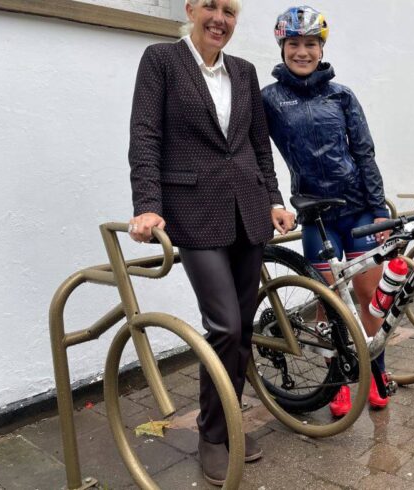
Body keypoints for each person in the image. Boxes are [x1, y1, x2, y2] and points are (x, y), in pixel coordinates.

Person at [127, 0, 295, 485]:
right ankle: (211, 432)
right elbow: (145, 135)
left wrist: (274, 199)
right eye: (211, 7)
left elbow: (258, 144)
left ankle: (226, 423)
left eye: (229, 11)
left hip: (248, 208)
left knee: (243, 326)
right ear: (191, 9)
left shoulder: (243, 72)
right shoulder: (161, 60)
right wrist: (147, 203)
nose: (219, 19)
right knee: (222, 325)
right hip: (192, 212)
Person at [262, 6, 392, 418]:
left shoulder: (342, 95)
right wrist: (272, 202)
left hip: (357, 213)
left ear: (322, 48)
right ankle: (337, 377)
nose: (303, 52)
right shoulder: (269, 99)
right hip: (314, 213)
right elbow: (255, 153)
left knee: (369, 297)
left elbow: (365, 153)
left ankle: (375, 372)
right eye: (294, 44)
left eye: (311, 44)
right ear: (283, 47)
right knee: (330, 302)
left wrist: (377, 209)